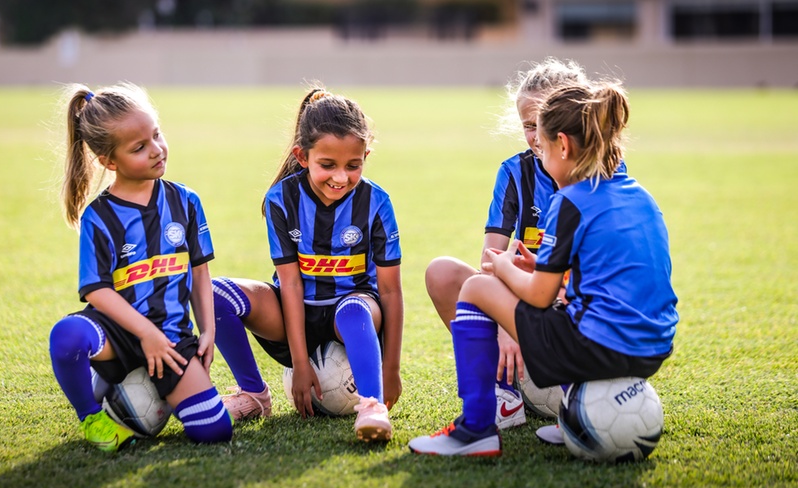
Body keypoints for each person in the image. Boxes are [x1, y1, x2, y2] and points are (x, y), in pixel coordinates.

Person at [409, 80, 678, 456]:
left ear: (563, 146)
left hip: (599, 348)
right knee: (563, 302)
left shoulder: (570, 199)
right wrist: (538, 266)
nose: (541, 156)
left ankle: (476, 429)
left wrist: (503, 269)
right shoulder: (639, 195)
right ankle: (573, 415)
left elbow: (539, 293)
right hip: (651, 349)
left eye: (546, 148)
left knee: (475, 289)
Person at [211, 85, 403, 443]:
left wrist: (391, 368)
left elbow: (390, 290)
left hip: (353, 309)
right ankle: (253, 395)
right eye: (327, 165)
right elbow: (292, 283)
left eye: (354, 165)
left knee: (353, 312)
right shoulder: (281, 199)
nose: (341, 177)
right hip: (293, 307)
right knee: (213, 295)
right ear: (302, 156)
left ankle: (372, 406)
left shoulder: (376, 202)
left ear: (366, 155)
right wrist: (300, 364)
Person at [48, 83, 233, 453]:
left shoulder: (186, 201)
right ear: (109, 161)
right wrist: (144, 333)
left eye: (157, 135)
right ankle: (92, 416)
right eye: (139, 147)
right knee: (67, 336)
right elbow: (96, 291)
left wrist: (208, 330)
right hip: (117, 334)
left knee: (214, 431)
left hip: (170, 338)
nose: (156, 150)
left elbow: (199, 272)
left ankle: (134, 390)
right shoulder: (99, 217)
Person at [424, 58, 589, 431]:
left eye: (542, 124)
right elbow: (491, 260)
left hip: (576, 310)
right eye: (527, 126)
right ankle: (505, 393)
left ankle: (577, 389)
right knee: (445, 274)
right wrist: (503, 323)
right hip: (528, 300)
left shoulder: (602, 175)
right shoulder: (514, 172)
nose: (534, 135)